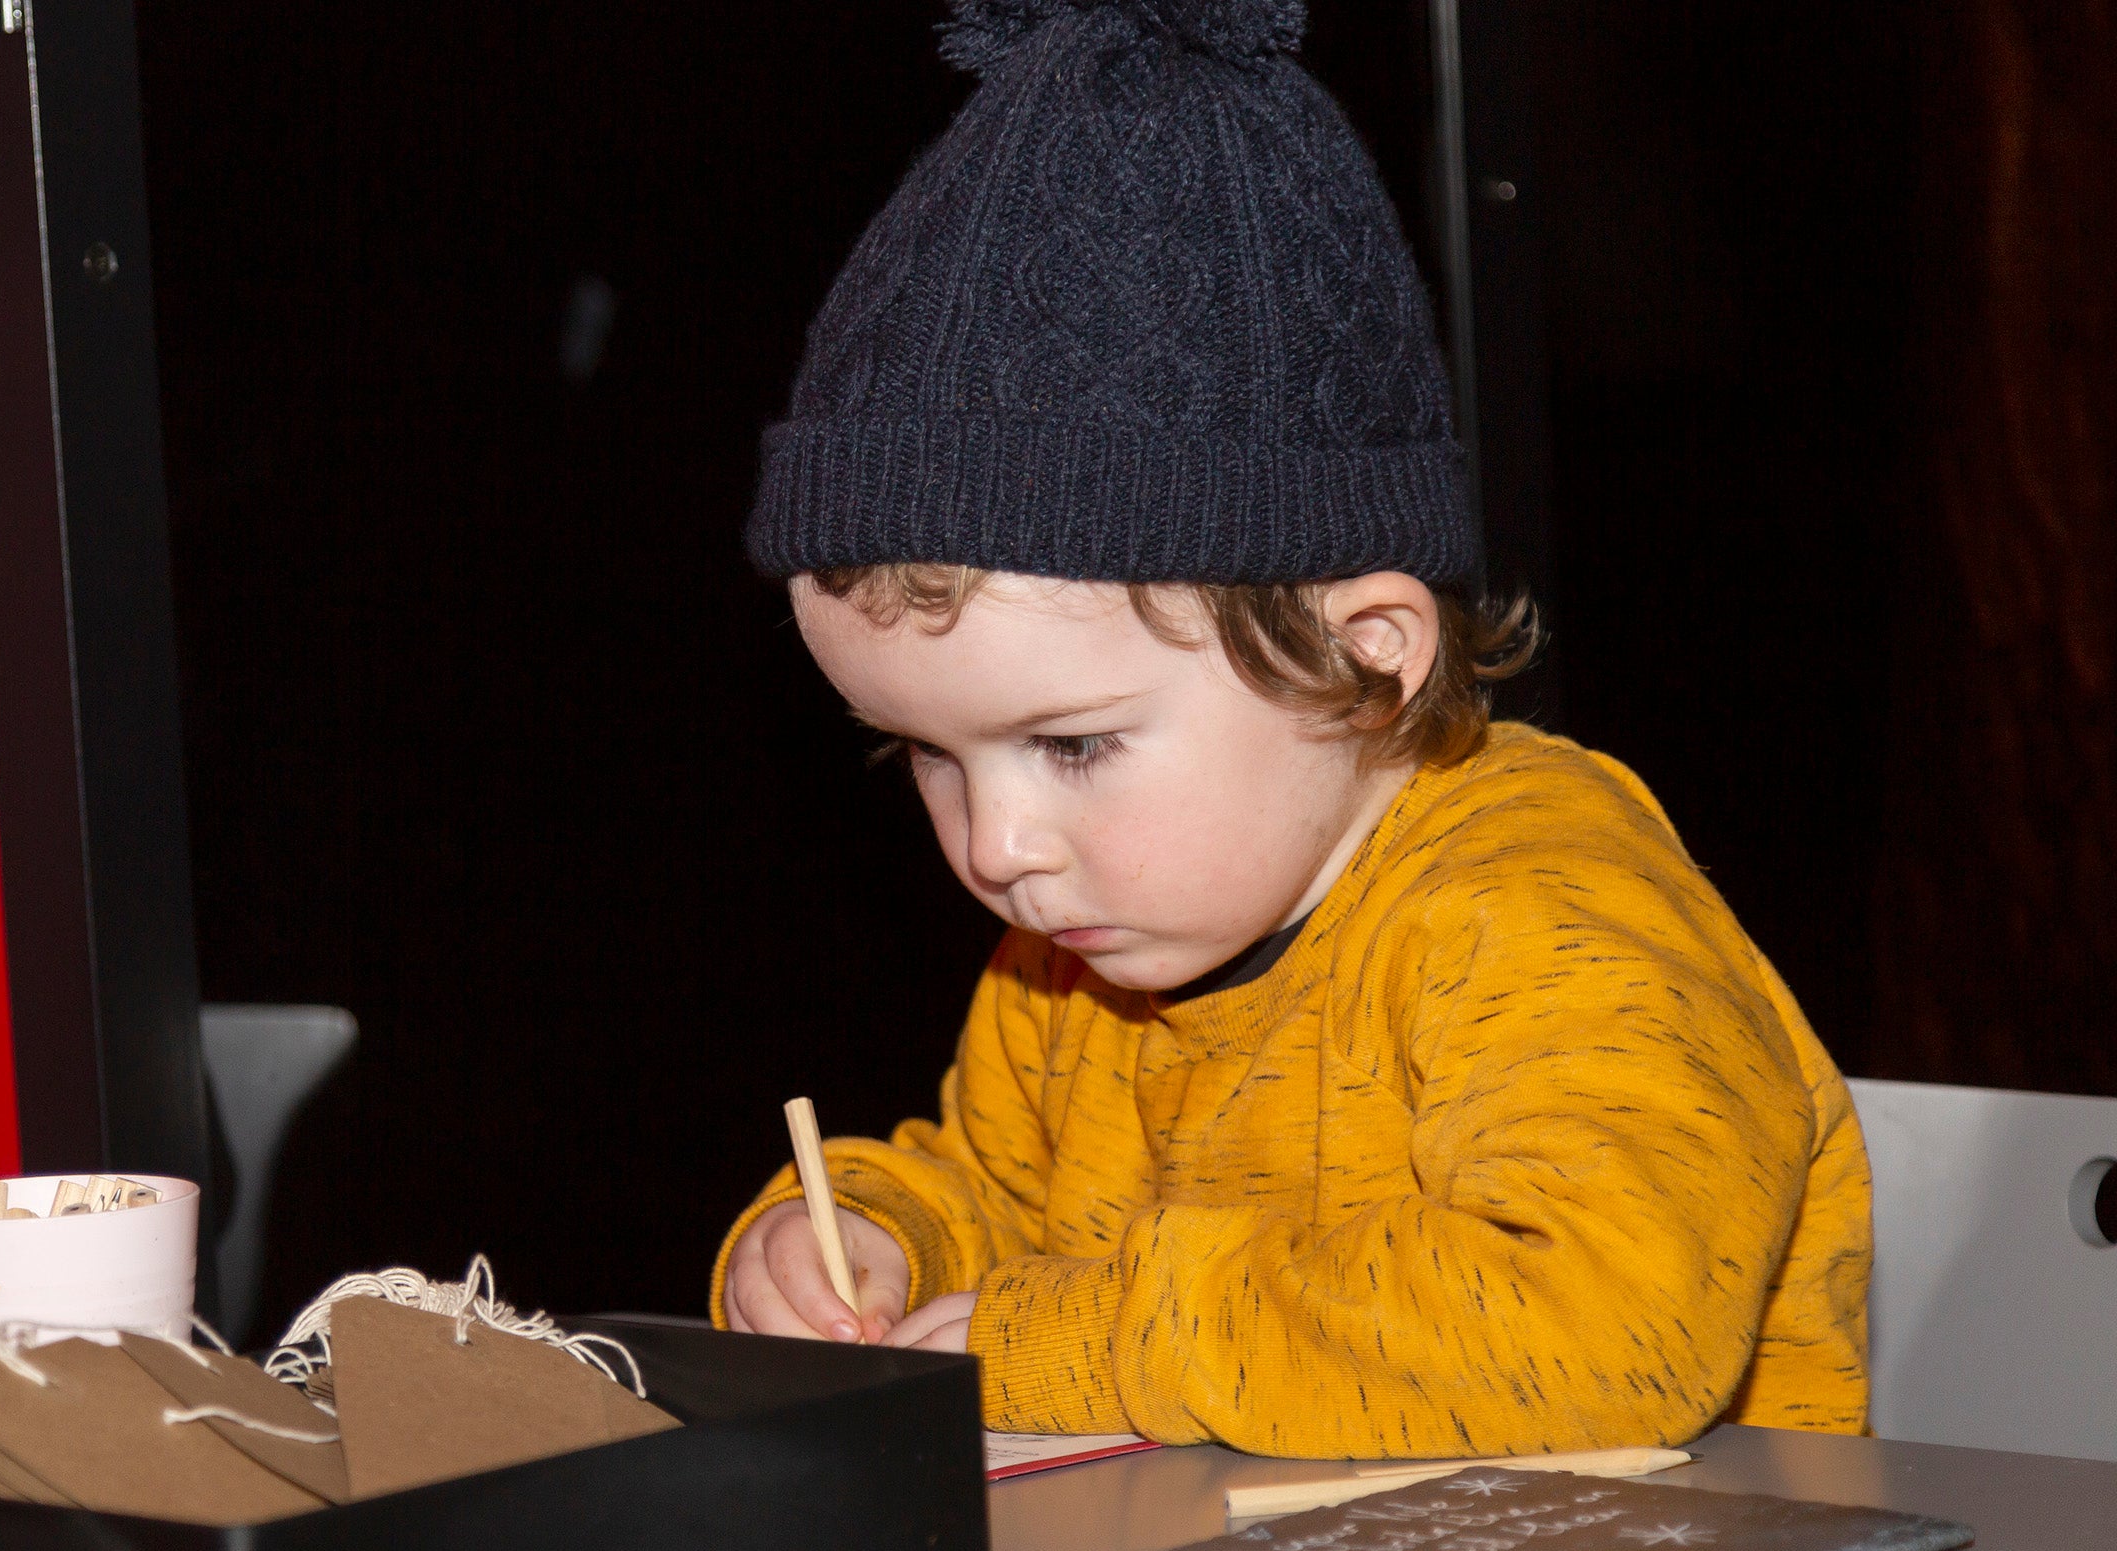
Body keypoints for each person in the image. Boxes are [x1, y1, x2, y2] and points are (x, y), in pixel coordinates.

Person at [710, 0, 1870, 1457]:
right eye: (929, 757)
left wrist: (1087, 1341)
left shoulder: (1544, 914)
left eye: (1071, 746)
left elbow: (1607, 1326)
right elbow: (1003, 1205)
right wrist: (873, 1241)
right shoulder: (1069, 965)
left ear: (1367, 655)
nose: (997, 847)